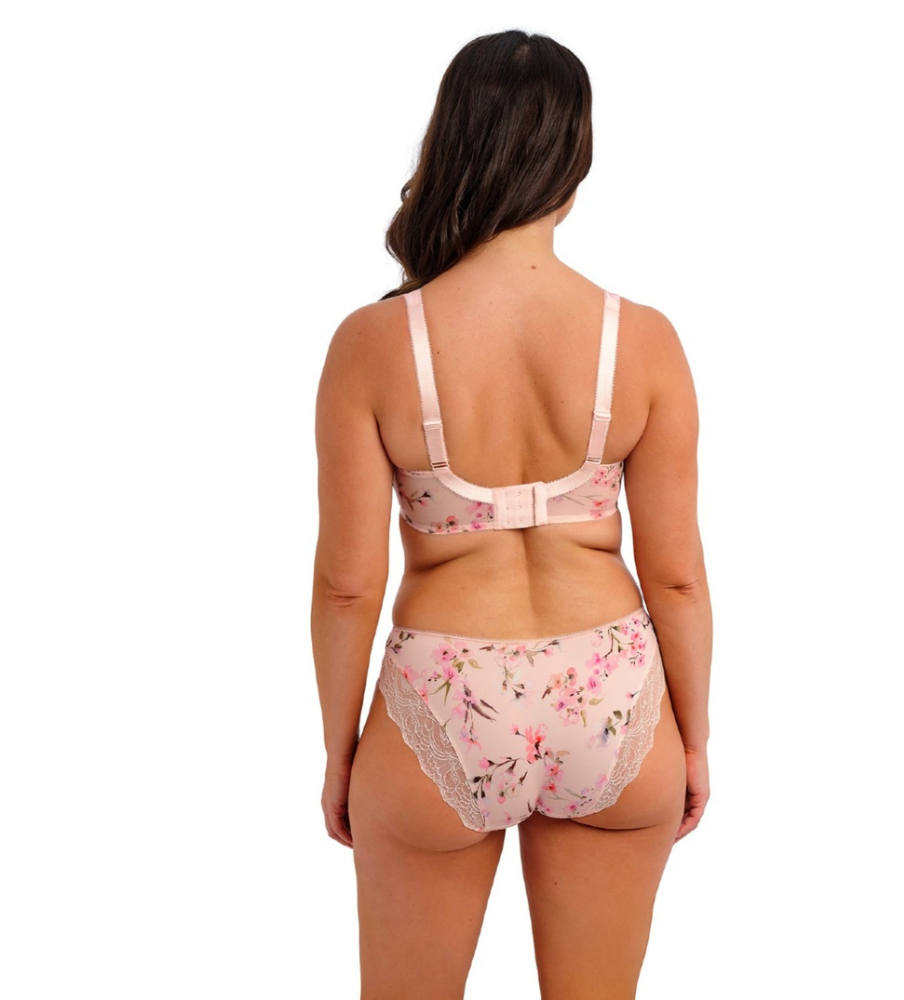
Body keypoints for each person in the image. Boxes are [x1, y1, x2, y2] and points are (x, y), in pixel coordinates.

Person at [311, 29, 712, 1000]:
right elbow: (675, 577)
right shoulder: (642, 340)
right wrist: (693, 736)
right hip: (612, 695)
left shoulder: (374, 343)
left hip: (443, 691)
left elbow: (348, 583)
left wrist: (340, 751)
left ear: (450, 140)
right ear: (575, 157)